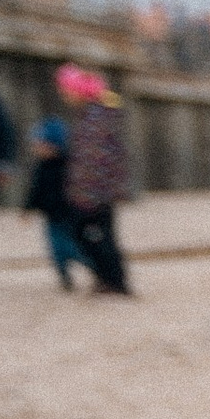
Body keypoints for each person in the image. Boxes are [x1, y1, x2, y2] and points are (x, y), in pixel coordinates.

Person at [57, 64, 132, 295]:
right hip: (98, 190)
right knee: (102, 235)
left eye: (66, 90)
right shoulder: (95, 115)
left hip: (93, 192)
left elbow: (93, 160)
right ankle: (113, 279)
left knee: (86, 235)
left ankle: (113, 279)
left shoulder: (94, 118)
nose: (63, 95)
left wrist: (83, 192)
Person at [22, 116, 87, 290]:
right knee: (56, 249)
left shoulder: (69, 166)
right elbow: (35, 191)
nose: (35, 147)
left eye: (39, 143)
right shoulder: (40, 167)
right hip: (51, 215)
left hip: (69, 214)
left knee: (71, 246)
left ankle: (96, 266)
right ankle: (65, 277)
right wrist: (27, 209)